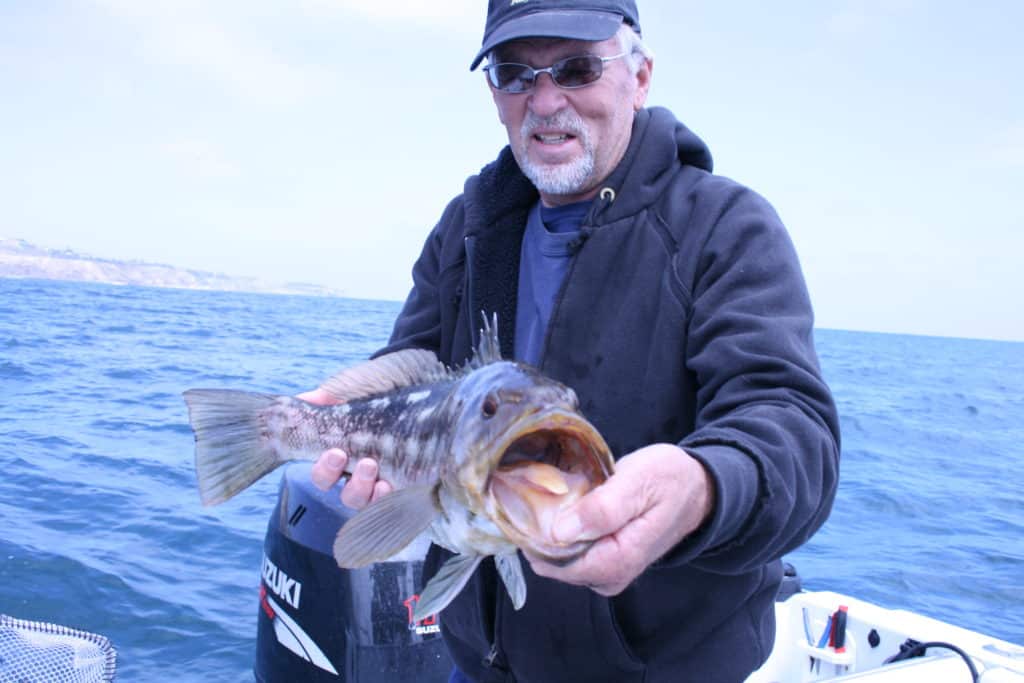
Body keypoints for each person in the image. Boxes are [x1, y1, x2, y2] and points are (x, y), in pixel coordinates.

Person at [303, 1, 841, 681]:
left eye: (577, 68)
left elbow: (792, 430)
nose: (546, 100)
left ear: (640, 78)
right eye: (514, 72)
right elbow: (411, 371)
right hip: (479, 664)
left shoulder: (727, 229)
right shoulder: (468, 227)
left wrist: (699, 487)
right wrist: (344, 424)